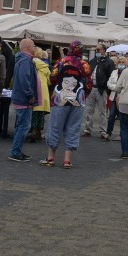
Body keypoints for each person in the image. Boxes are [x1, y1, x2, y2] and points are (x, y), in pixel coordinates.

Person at [42, 40, 92, 168]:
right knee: (73, 128)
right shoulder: (85, 64)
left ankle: (50, 158)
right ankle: (67, 160)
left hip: (60, 98)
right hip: (78, 100)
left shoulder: (61, 61)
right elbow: (89, 84)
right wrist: (83, 95)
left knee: (55, 126)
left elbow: (52, 78)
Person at [7, 38, 38, 160]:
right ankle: (15, 152)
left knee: (21, 125)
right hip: (24, 98)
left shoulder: (21, 59)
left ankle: (16, 150)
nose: (35, 48)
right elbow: (25, 78)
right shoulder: (25, 61)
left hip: (20, 97)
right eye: (34, 46)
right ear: (28, 47)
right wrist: (30, 94)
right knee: (24, 126)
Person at [82, 43, 114, 139]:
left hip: (102, 89)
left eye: (99, 50)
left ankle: (103, 130)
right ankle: (88, 129)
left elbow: (111, 76)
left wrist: (107, 89)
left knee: (102, 111)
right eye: (96, 50)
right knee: (89, 110)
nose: (97, 51)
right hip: (91, 88)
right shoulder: (92, 61)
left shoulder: (109, 62)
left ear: (104, 50)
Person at [0, 40, 15, 138]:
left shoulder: (3, 56)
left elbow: (5, 71)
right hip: (7, 85)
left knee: (1, 106)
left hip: (4, 84)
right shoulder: (10, 55)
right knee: (3, 107)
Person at [28, 47, 51, 142]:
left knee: (33, 111)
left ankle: (32, 131)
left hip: (34, 89)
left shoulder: (30, 62)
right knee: (40, 112)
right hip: (44, 91)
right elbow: (49, 81)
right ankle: (38, 132)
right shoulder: (45, 65)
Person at [105, 55, 128, 141]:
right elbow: (109, 83)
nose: (121, 64)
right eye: (120, 62)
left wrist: (118, 87)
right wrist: (117, 87)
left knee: (122, 117)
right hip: (114, 97)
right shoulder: (114, 72)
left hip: (123, 98)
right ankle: (108, 133)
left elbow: (126, 86)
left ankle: (121, 135)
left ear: (126, 64)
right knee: (111, 116)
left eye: (123, 62)